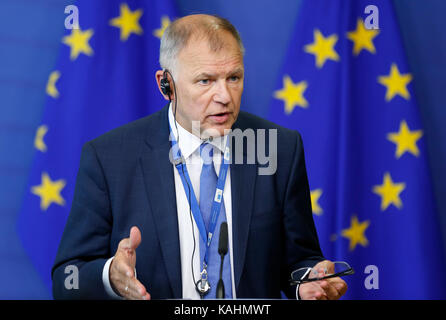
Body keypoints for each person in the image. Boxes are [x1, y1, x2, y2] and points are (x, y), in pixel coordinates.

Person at [52, 14, 347, 300]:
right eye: (205, 81)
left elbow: (300, 258)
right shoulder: (109, 158)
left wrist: (307, 282)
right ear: (166, 84)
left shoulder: (280, 148)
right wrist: (111, 276)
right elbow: (67, 279)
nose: (225, 96)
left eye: (234, 77)